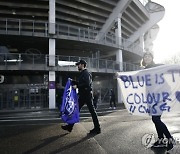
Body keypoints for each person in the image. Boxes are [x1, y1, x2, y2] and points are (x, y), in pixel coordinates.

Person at [141, 52, 174, 151]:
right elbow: (135, 77)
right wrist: (120, 76)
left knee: (156, 119)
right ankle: (160, 139)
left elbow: (168, 67)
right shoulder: (145, 70)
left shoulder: (157, 67)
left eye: (149, 56)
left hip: (160, 97)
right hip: (151, 98)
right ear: (143, 59)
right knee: (155, 119)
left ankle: (169, 139)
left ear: (152, 58)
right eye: (145, 56)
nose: (147, 57)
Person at [61, 59, 101, 135]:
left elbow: (87, 84)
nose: (77, 66)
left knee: (92, 112)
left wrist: (77, 85)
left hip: (87, 95)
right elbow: (81, 83)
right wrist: (73, 81)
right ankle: (70, 127)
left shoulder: (86, 73)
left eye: (78, 64)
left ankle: (97, 128)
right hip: (83, 95)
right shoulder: (83, 73)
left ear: (82, 65)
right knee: (76, 110)